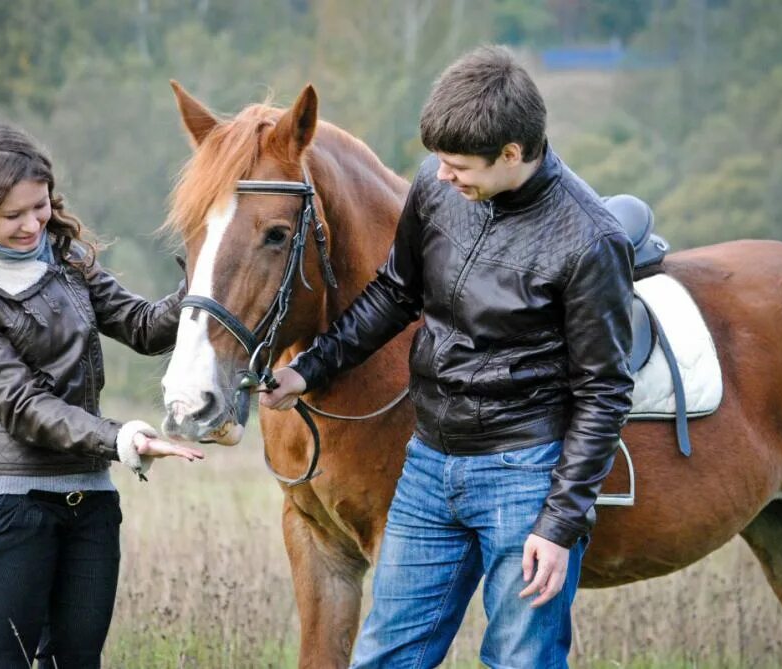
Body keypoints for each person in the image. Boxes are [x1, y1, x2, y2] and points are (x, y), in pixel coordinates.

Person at [261, 45, 635, 668]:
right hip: (430, 466)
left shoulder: (589, 241)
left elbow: (603, 393)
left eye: (459, 166)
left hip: (525, 474)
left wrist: (559, 523)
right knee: (384, 658)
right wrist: (311, 367)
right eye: (438, 161)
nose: (441, 177)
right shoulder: (438, 196)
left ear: (512, 154)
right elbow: (396, 292)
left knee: (521, 661)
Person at [0, 123, 204, 668]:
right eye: (14, 215)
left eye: (41, 206)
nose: (34, 224)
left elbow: (143, 326)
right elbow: (24, 406)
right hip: (7, 508)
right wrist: (119, 436)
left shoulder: (65, 256)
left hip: (92, 504)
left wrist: (203, 283)